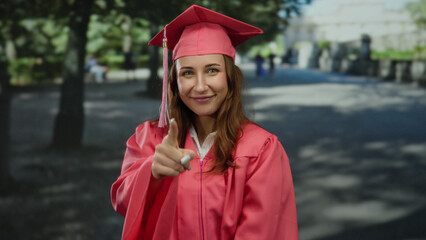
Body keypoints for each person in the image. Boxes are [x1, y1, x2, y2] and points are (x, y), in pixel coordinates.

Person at [111, 5, 298, 240]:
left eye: (212, 70)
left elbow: (261, 231)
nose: (199, 86)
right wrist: (152, 172)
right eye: (187, 73)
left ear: (230, 77)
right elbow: (122, 203)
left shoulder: (261, 149)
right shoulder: (150, 139)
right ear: (175, 82)